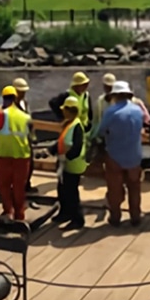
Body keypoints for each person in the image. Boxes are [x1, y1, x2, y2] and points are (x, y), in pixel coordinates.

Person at [90, 81, 144, 227]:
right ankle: (135, 216)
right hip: (134, 154)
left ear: (115, 95)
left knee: (115, 188)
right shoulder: (138, 110)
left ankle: (115, 217)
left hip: (115, 154)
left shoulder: (111, 112)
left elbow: (101, 131)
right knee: (134, 187)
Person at [0, 86, 34, 222]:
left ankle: (8, 212)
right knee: (19, 187)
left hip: (5, 156)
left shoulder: (1, 115)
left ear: (3, 99)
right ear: (16, 98)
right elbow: (32, 136)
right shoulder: (26, 117)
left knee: (4, 185)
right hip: (23, 157)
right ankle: (20, 216)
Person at [47, 96, 88, 230]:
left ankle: (77, 218)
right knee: (62, 190)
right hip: (64, 165)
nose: (63, 112)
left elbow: (76, 147)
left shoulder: (77, 126)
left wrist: (66, 156)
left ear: (71, 111)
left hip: (72, 165)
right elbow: (62, 140)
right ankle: (64, 213)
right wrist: (51, 150)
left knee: (71, 192)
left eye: (65, 110)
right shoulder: (68, 124)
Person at [12, 77, 40, 194]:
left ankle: (26, 185)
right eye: (20, 92)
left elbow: (29, 120)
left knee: (29, 163)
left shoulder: (25, 103)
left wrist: (33, 137)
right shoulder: (10, 106)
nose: (22, 94)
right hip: (15, 140)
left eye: (23, 92)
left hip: (26, 138)